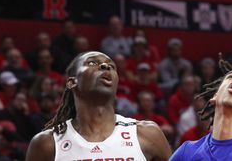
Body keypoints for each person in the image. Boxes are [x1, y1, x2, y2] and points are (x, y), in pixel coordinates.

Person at [25, 51, 171, 161]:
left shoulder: (147, 134)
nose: (105, 66)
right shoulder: (47, 143)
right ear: (72, 82)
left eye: (111, 66)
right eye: (92, 63)